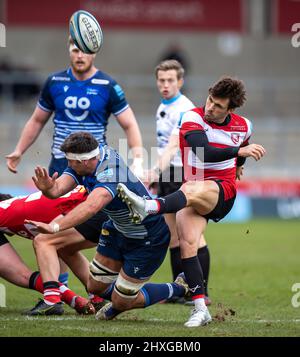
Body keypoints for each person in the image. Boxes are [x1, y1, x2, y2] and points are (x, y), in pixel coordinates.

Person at [117, 76, 266, 327]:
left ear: (230, 109)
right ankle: (199, 308)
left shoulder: (244, 126)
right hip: (193, 191)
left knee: (194, 187)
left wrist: (239, 164)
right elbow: (203, 152)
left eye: (218, 106)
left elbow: (243, 144)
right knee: (187, 244)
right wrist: (238, 154)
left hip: (222, 192)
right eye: (210, 101)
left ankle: (150, 206)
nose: (210, 108)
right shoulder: (192, 117)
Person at [6, 35, 144, 286]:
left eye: (85, 51)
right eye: (74, 49)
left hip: (91, 171)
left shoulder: (107, 85)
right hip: (60, 168)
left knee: (64, 233)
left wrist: (138, 160)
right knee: (52, 231)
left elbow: (129, 123)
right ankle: (61, 289)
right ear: (68, 50)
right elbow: (37, 120)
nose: (79, 55)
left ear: (94, 53)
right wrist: (19, 150)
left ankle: (69, 290)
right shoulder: (54, 81)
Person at [26, 131, 189, 319]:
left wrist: (55, 227)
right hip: (117, 230)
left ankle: (179, 287)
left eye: (71, 162)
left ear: (84, 161)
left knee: (121, 302)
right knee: (94, 286)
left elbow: (91, 207)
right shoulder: (87, 160)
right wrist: (48, 189)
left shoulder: (110, 172)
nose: (68, 165)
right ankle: (120, 297)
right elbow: (57, 189)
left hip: (147, 237)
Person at [147, 59, 210, 304]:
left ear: (180, 81)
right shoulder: (163, 106)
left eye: (170, 80)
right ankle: (180, 291)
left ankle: (202, 292)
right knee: (173, 236)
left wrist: (154, 170)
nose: (165, 85)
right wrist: (159, 175)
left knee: (192, 236)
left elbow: (174, 146)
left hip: (186, 174)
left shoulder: (184, 108)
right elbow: (165, 146)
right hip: (169, 174)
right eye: (161, 80)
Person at [0, 191, 96, 315]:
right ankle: (94, 298)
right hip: (93, 206)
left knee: (42, 242)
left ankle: (52, 300)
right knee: (62, 248)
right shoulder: (20, 206)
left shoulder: (5, 212)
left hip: (88, 208)